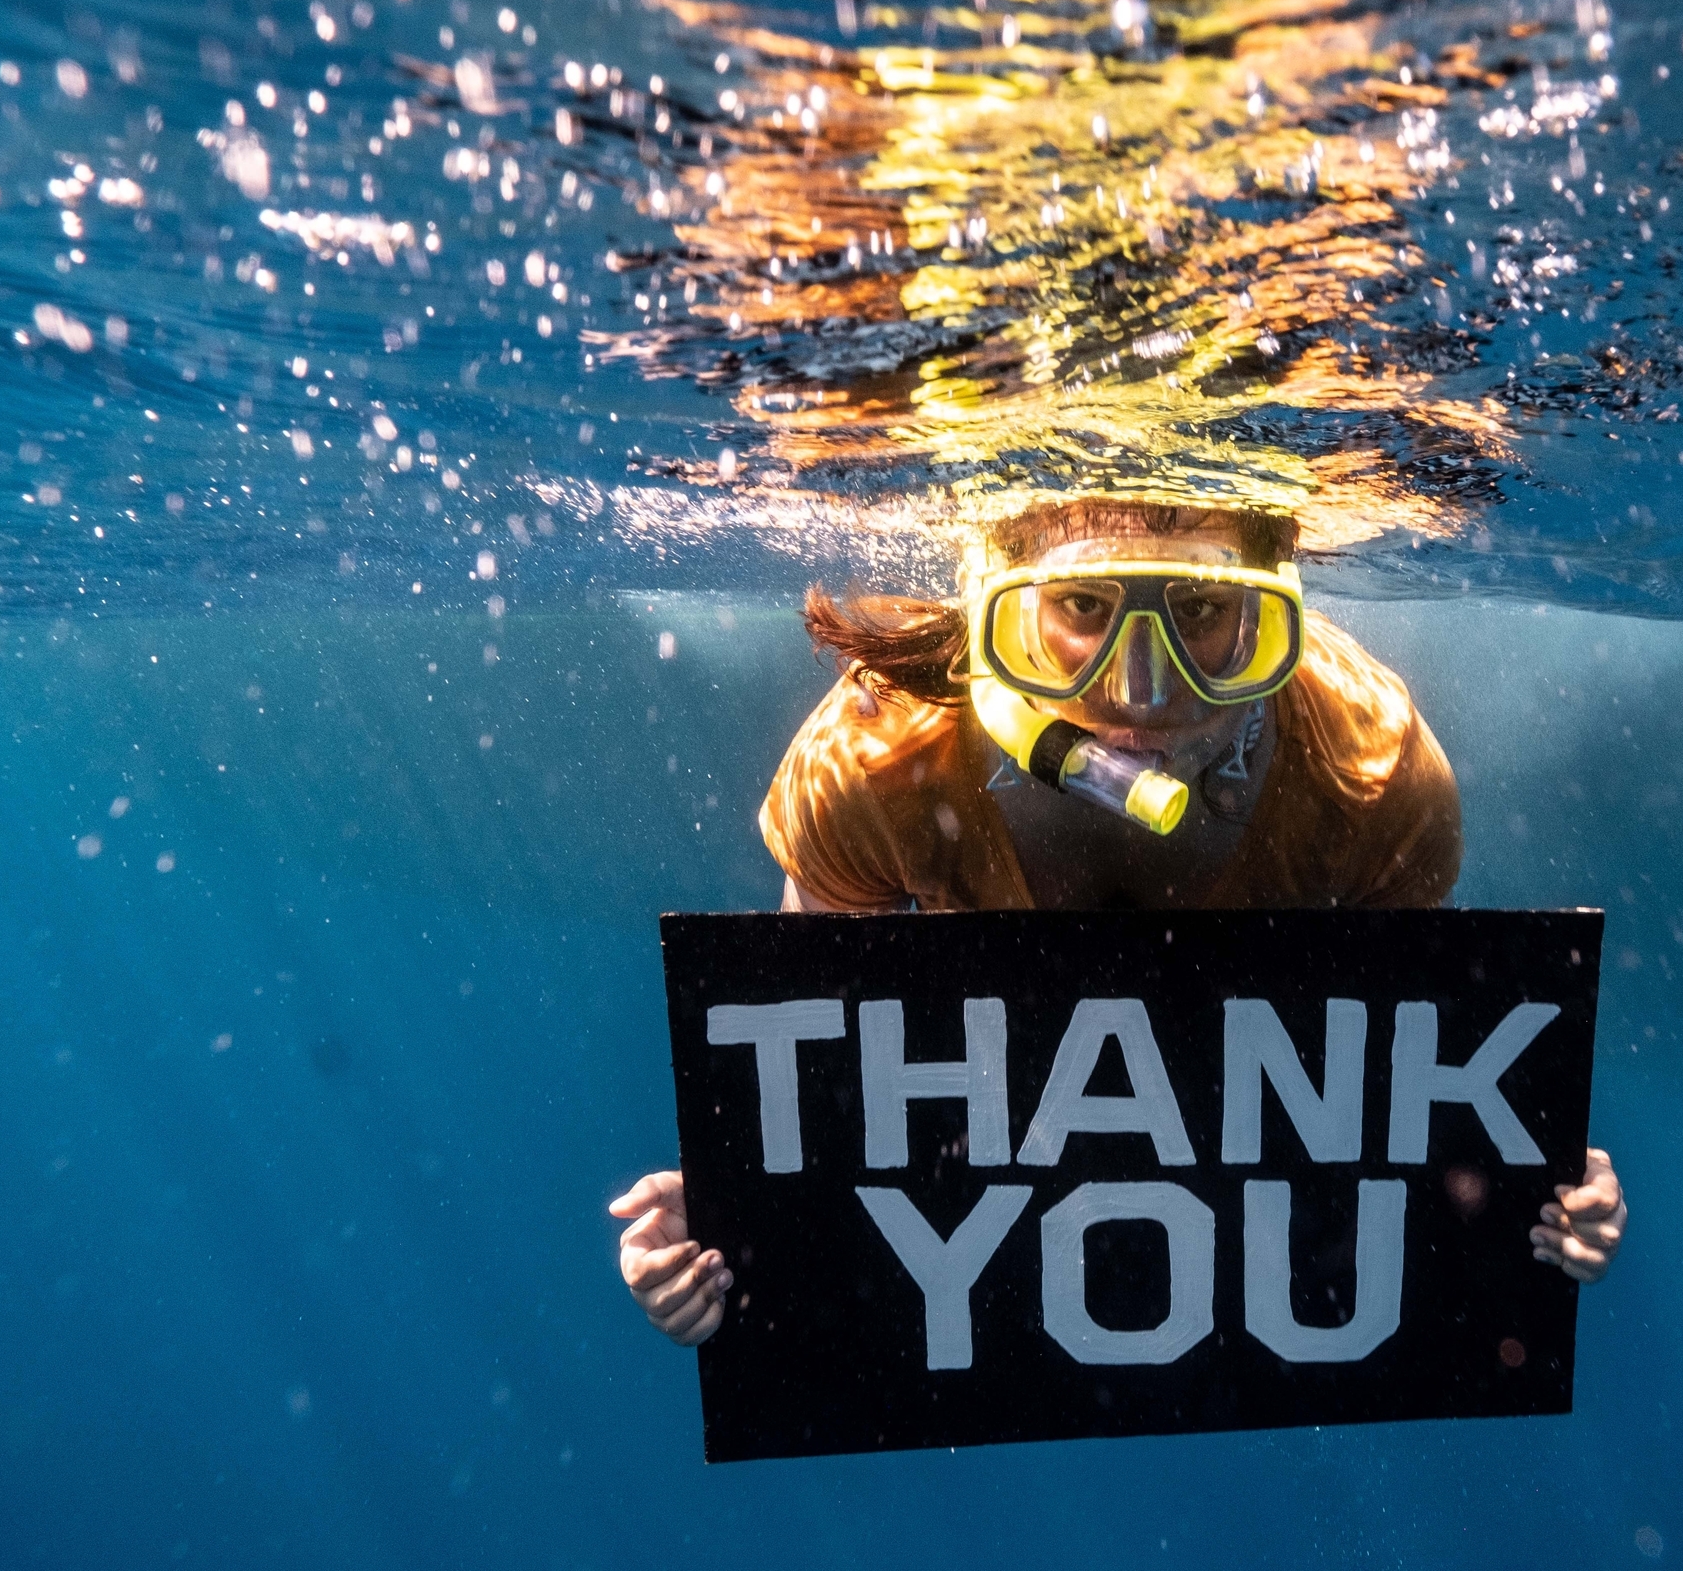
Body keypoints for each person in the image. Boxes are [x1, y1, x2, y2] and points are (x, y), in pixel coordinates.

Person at [612, 498, 1626, 1346]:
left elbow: (1400, 1103)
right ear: (994, 609)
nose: (1143, 696)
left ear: (1275, 614)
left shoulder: (1375, 779)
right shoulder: (878, 758)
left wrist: (1526, 1185)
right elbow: (815, 1087)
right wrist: (738, 1217)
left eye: (1198, 608)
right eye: (1083, 607)